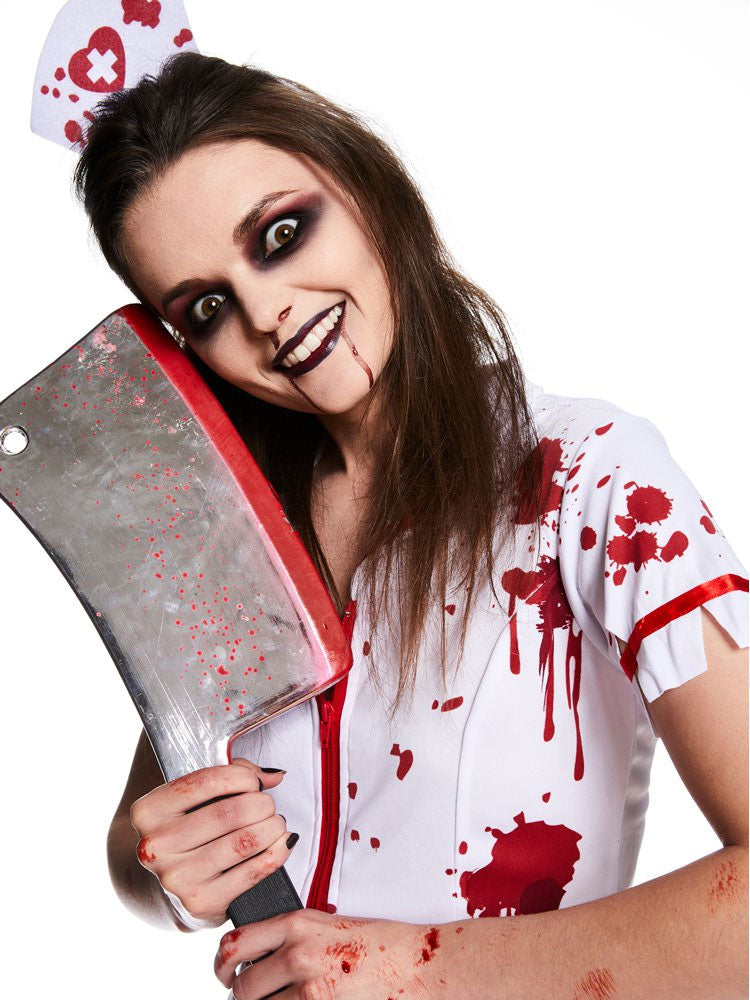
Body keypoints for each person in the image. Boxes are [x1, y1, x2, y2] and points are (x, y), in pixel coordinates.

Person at [74, 52, 748, 999]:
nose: (266, 313)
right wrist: (156, 870)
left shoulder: (592, 478)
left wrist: (409, 969)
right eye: (209, 306)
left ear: (364, 185)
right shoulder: (225, 538)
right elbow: (150, 832)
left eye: (280, 235)